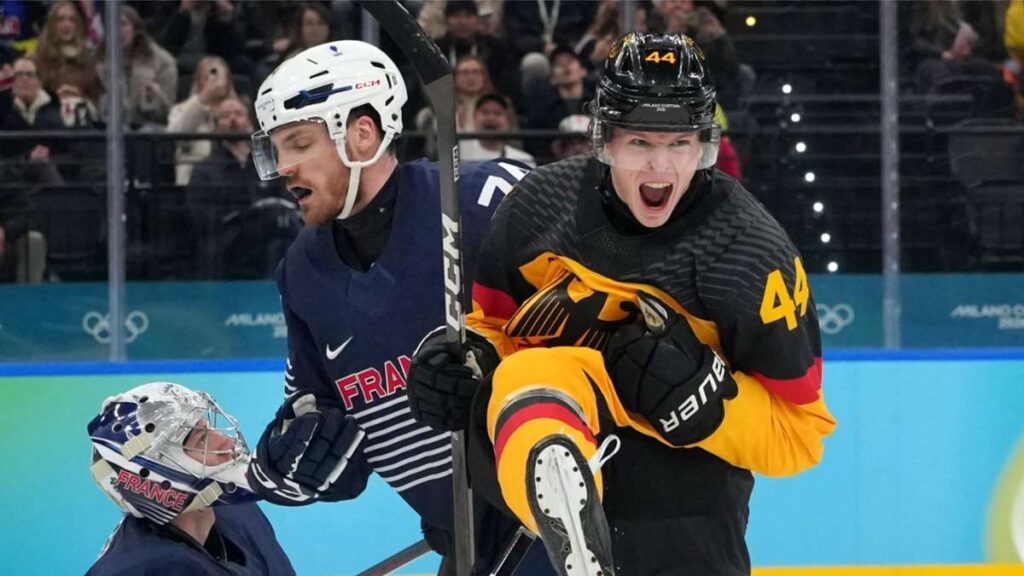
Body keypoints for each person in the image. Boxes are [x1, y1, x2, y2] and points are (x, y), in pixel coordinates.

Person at [407, 32, 836, 576]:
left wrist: (711, 403)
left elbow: (801, 433)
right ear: (604, 140)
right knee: (535, 373)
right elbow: (492, 330)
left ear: (704, 143)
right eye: (640, 143)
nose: (660, 169)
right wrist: (463, 364)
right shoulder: (537, 208)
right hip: (532, 526)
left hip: (688, 514)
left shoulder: (752, 254)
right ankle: (566, 511)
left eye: (679, 144)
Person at [243, 40, 552, 575]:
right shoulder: (301, 272)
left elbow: (602, 315)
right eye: (276, 149)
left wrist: (501, 371)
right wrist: (294, 460)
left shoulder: (487, 200)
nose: (283, 168)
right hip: (473, 551)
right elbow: (327, 424)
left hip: (573, 525)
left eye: (298, 143)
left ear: (361, 135)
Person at [86, 381, 295, 575]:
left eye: (209, 429)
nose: (226, 443)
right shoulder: (149, 567)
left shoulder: (236, 511)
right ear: (154, 474)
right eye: (201, 439)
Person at [459, 93, 536, 167]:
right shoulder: (461, 153)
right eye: (485, 112)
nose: (491, 118)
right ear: (474, 118)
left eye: (498, 113)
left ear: (508, 121)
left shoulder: (524, 161)